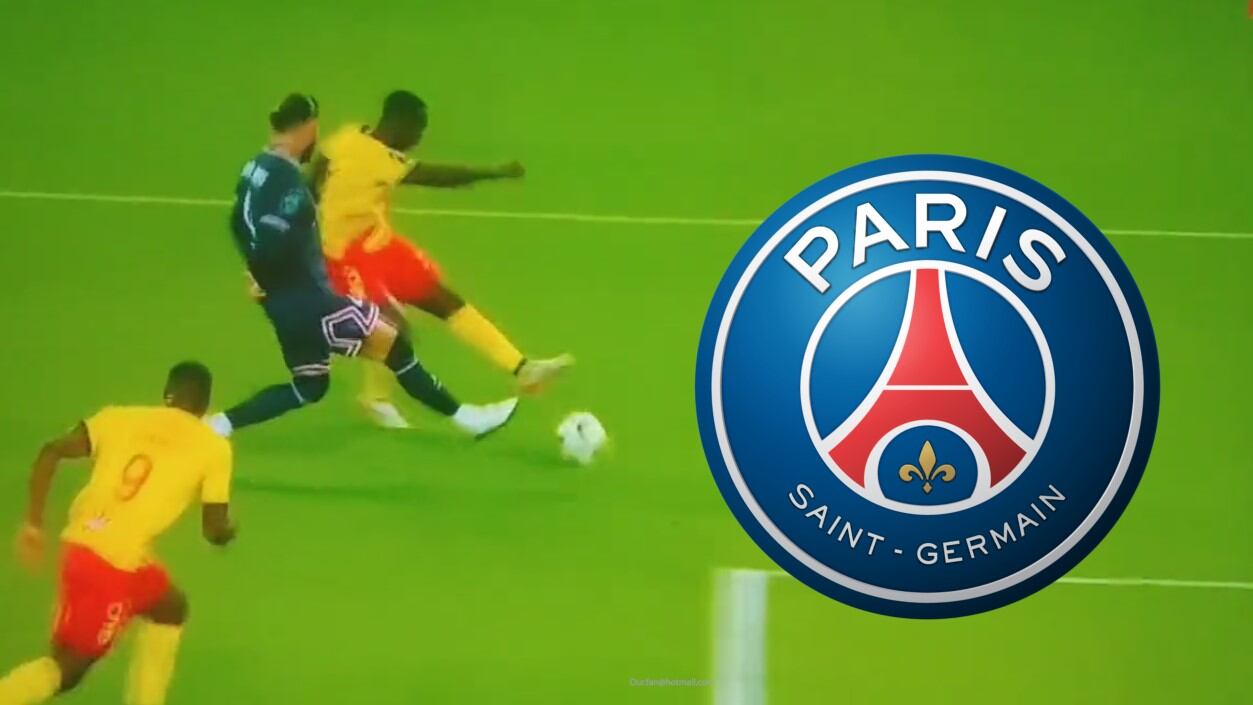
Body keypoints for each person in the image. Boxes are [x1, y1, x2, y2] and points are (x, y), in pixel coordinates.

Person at [206, 93, 517, 438]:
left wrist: (259, 277)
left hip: (281, 304)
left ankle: (218, 424)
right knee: (395, 345)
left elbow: (239, 222)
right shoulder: (290, 185)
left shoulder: (257, 167)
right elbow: (273, 236)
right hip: (313, 300)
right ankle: (467, 417)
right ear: (306, 128)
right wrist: (271, 270)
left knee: (309, 386)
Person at [312, 90, 571, 428]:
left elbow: (319, 166)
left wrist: (313, 196)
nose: (419, 139)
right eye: (418, 130)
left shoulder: (350, 135)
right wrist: (493, 172)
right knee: (392, 329)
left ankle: (523, 368)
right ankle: (379, 399)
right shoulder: (380, 159)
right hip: (344, 256)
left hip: (376, 243)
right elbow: (437, 177)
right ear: (400, 123)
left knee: (440, 299)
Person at [0, 362, 235, 705]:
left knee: (170, 607)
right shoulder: (214, 447)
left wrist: (33, 523)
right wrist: (228, 531)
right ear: (205, 406)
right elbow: (214, 529)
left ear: (167, 394)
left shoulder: (118, 417)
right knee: (69, 669)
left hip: (86, 545)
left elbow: (51, 452)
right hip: (112, 566)